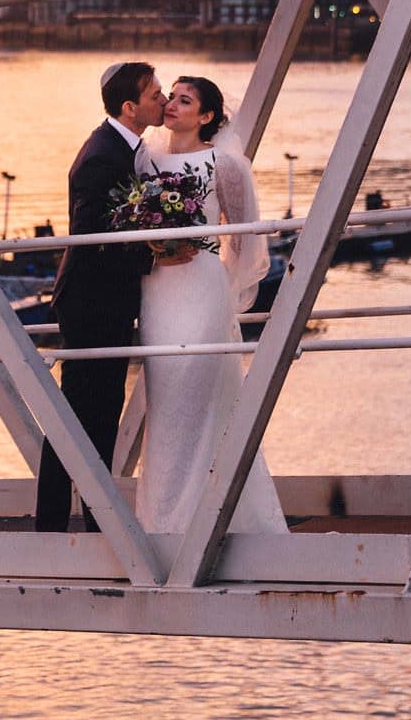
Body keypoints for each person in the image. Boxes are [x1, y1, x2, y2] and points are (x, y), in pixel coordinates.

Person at [136, 76, 287, 535]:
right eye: (172, 97)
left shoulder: (225, 163)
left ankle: (200, 519)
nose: (173, 105)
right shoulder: (145, 159)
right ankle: (161, 521)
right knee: (163, 399)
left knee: (196, 390)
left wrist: (220, 283)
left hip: (202, 287)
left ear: (206, 117)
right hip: (158, 290)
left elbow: (244, 238)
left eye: (186, 100)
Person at [34, 60, 162, 533]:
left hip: (104, 302)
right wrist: (156, 252)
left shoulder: (121, 147)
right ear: (130, 107)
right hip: (91, 305)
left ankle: (91, 517)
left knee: (96, 414)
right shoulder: (101, 158)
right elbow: (94, 239)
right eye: (155, 95)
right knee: (81, 415)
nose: (163, 100)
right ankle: (57, 523)